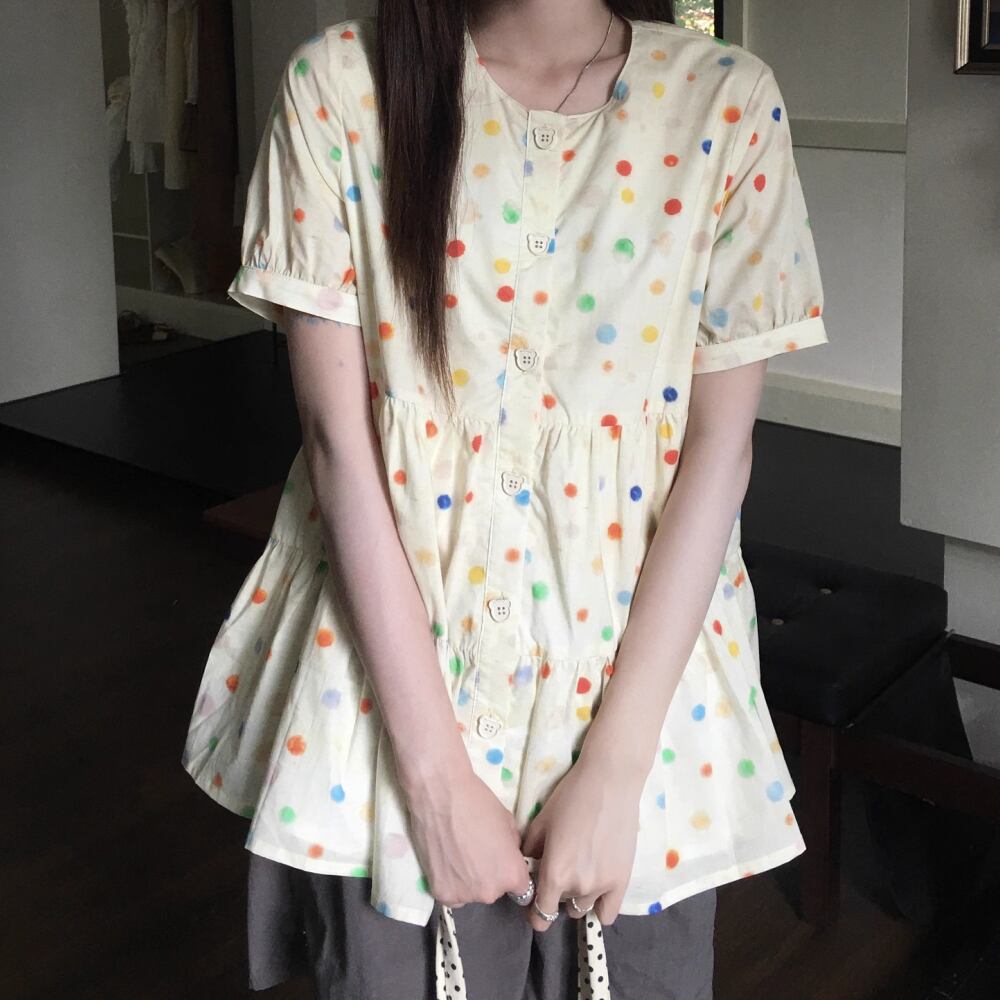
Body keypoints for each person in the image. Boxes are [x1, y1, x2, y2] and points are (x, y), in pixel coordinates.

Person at [180, 1, 830, 997]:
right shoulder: (340, 87)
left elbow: (719, 449)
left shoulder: (726, 101)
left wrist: (615, 771)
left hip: (646, 703)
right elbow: (339, 448)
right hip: (385, 706)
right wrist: (437, 785)